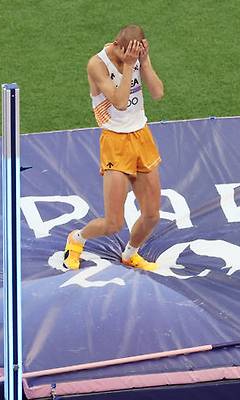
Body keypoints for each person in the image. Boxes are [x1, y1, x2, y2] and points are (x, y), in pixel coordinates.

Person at [63, 24, 164, 271]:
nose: (126, 55)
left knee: (152, 215)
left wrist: (145, 61)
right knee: (113, 223)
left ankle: (130, 254)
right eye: (123, 51)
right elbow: (119, 102)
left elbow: (158, 93)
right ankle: (77, 239)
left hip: (141, 136)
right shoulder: (97, 64)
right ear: (117, 43)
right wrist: (130, 65)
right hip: (115, 141)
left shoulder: (137, 57)